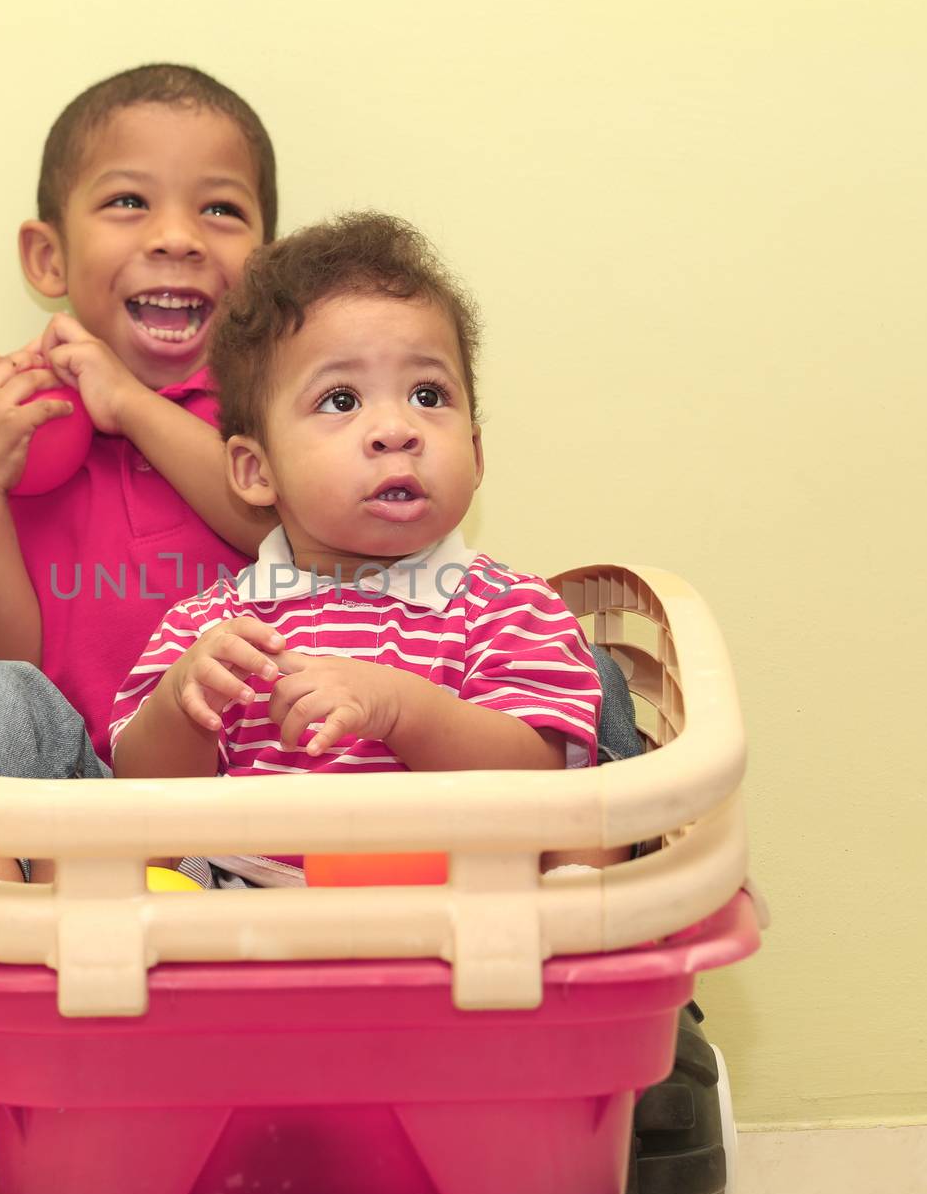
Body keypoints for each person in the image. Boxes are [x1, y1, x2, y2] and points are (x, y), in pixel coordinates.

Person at [109, 212, 628, 878]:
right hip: (245, 915)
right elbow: (139, 805)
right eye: (341, 399)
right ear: (254, 470)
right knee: (152, 891)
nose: (394, 428)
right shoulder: (212, 626)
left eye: (427, 394)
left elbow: (544, 786)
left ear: (473, 451)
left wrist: (402, 709)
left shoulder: (509, 607)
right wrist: (186, 702)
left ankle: (582, 950)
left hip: (457, 916)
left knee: (564, 864)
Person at [0, 64, 279, 878]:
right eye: (128, 201)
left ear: (267, 270)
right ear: (48, 259)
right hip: (79, 817)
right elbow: (3, 661)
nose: (177, 235)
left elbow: (278, 524)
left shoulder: (283, 417)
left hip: (264, 805)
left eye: (220, 208)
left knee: (559, 671)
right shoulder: (22, 428)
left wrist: (133, 405)